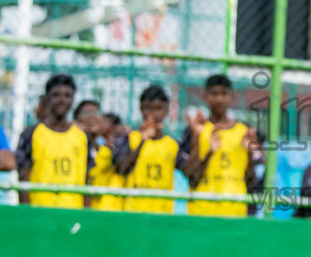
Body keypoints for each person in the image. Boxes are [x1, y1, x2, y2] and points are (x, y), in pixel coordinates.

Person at [177, 73, 263, 217]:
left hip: (234, 211)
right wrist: (209, 152)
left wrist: (249, 153)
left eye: (224, 94)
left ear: (232, 97)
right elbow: (191, 178)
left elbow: (251, 182)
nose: (219, 99)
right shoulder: (196, 130)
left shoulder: (245, 132)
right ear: (205, 97)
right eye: (213, 94)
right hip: (201, 211)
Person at [15, 73, 90, 208]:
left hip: (73, 211)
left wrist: (85, 213)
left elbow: (87, 178)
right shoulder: (31, 134)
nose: (62, 100)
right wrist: (27, 213)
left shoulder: (82, 136)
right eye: (57, 95)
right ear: (47, 99)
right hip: (41, 211)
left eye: (68, 96)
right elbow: (23, 177)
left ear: (73, 100)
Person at [111, 85, 180, 214]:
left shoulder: (173, 144)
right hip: (133, 214)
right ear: (141, 109)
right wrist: (143, 141)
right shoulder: (129, 138)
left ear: (166, 110)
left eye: (158, 108)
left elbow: (192, 176)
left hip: (162, 215)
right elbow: (121, 170)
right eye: (148, 108)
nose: (153, 114)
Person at [90, 112, 128, 211]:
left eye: (104, 121)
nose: (100, 123)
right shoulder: (98, 146)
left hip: (110, 204)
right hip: (94, 202)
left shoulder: (117, 146)